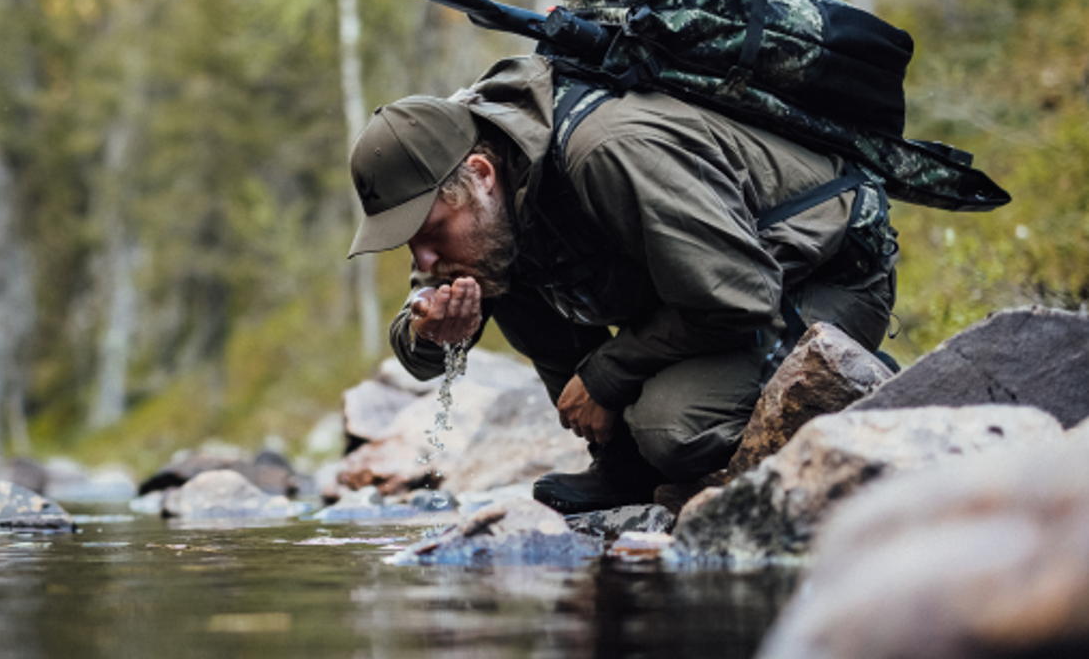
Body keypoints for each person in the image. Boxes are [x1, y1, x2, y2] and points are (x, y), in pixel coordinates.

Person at [347, 54, 897, 513]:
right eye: (408, 243)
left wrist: (607, 375)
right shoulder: (465, 196)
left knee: (671, 431)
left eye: (430, 233)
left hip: (823, 275)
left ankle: (862, 385)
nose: (423, 257)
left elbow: (741, 295)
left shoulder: (607, 150)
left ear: (482, 175)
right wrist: (431, 331)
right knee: (493, 272)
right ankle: (625, 465)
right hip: (701, 289)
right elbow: (417, 349)